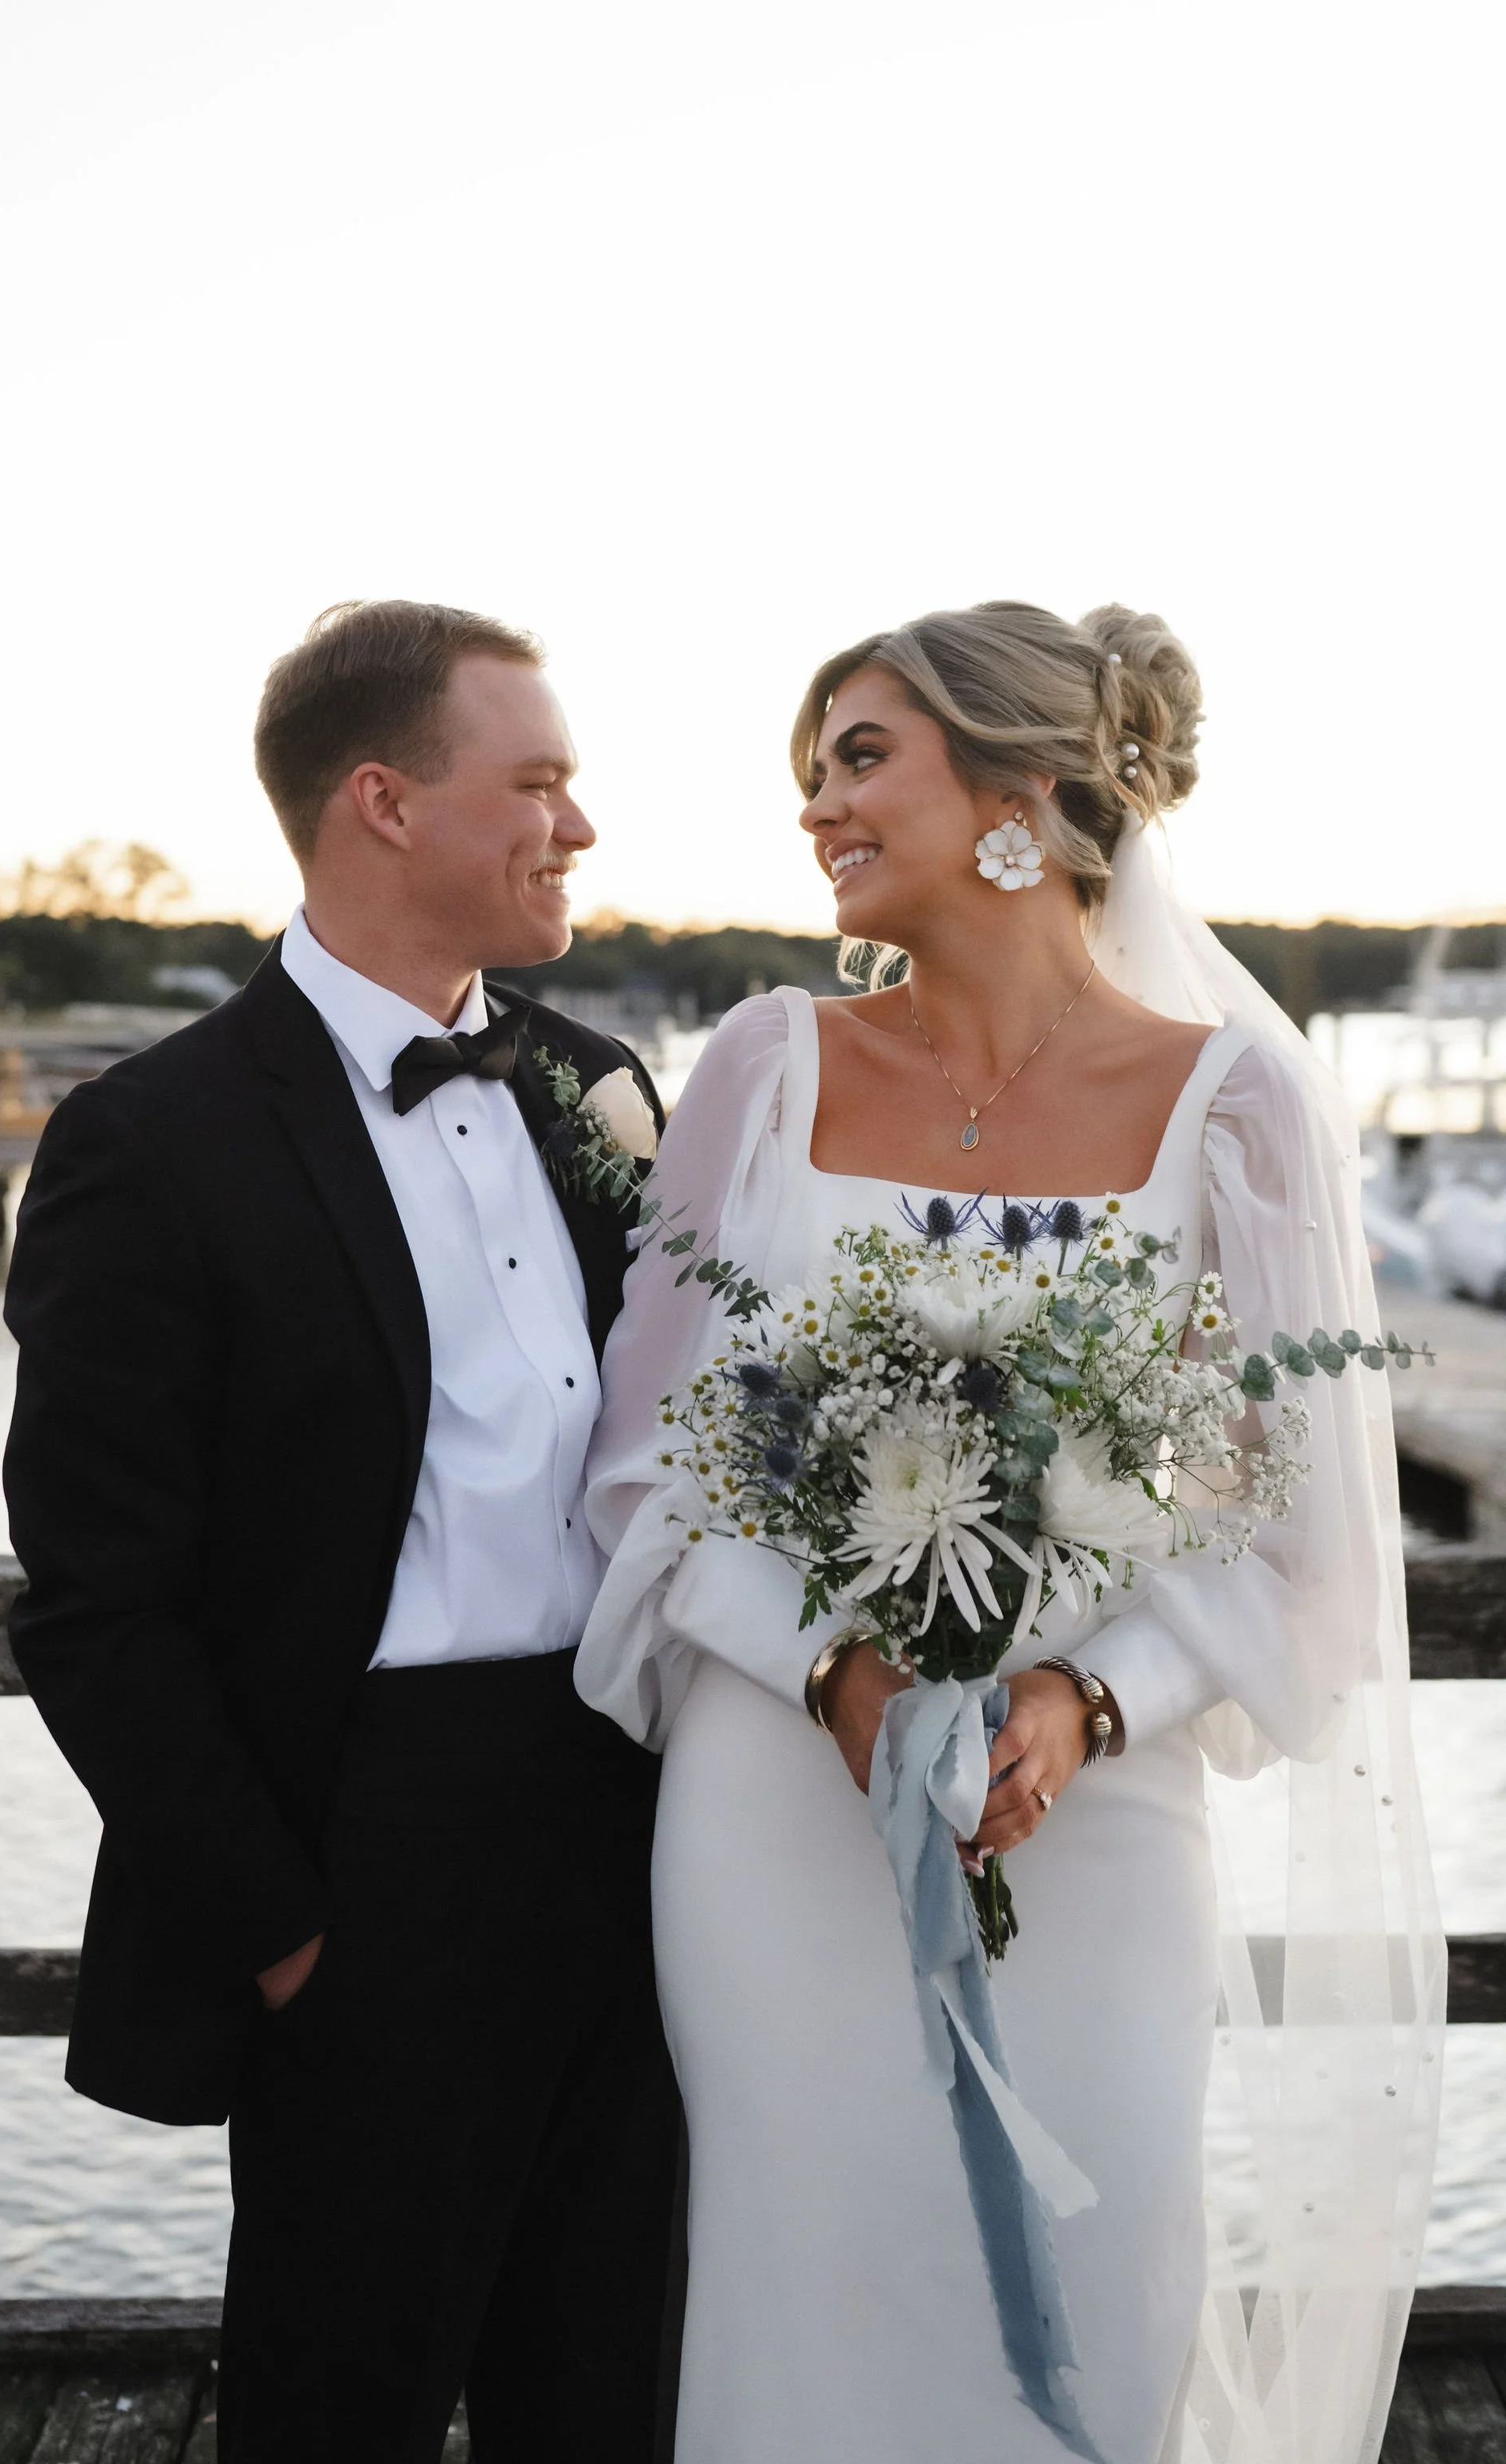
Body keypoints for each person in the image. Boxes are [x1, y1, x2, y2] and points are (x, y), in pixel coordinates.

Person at [576, 602, 1443, 2463]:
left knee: (1102, 2272)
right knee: (801, 2284)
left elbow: (1286, 1525)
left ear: (1023, 797)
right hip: (777, 1804)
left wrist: (1082, 1700)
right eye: (811, 767)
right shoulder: (760, 1067)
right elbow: (646, 1468)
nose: (818, 804)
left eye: (861, 754)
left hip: (1095, 1826)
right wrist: (838, 1673)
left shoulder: (1240, 1107)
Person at [3, 599, 679, 2463]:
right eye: (535, 781)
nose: (579, 826)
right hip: (368, 1852)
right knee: (339, 2406)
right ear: (383, 801)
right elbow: (95, 1608)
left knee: (615, 2384)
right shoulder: (153, 1141)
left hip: (635, 1817)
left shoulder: (602, 1089)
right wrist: (288, 1933)